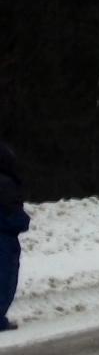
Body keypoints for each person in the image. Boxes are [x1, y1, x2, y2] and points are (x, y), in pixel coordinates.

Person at [0, 141, 26, 330]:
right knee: (5, 277)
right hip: (4, 237)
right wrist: (23, 221)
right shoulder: (6, 184)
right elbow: (11, 215)